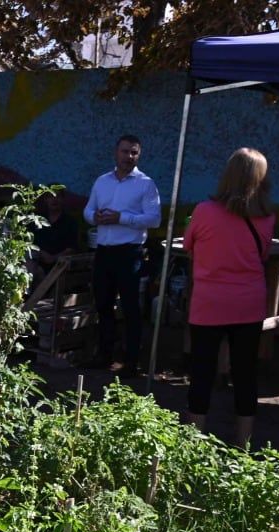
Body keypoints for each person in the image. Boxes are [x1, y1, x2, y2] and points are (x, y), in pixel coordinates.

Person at [182, 148, 275, 448]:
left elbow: (188, 245)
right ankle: (243, 443)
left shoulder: (204, 211)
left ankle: (194, 441)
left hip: (209, 302)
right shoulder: (267, 217)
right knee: (245, 373)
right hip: (248, 303)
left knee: (202, 371)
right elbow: (263, 255)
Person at [83, 134, 161, 374]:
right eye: (125, 151)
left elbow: (154, 219)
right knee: (103, 304)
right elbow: (88, 210)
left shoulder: (146, 184)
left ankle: (131, 361)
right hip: (104, 251)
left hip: (129, 252)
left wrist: (122, 218)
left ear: (139, 155)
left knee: (130, 308)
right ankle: (105, 355)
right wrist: (94, 217)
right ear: (116, 153)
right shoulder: (102, 181)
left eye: (134, 152)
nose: (129, 156)